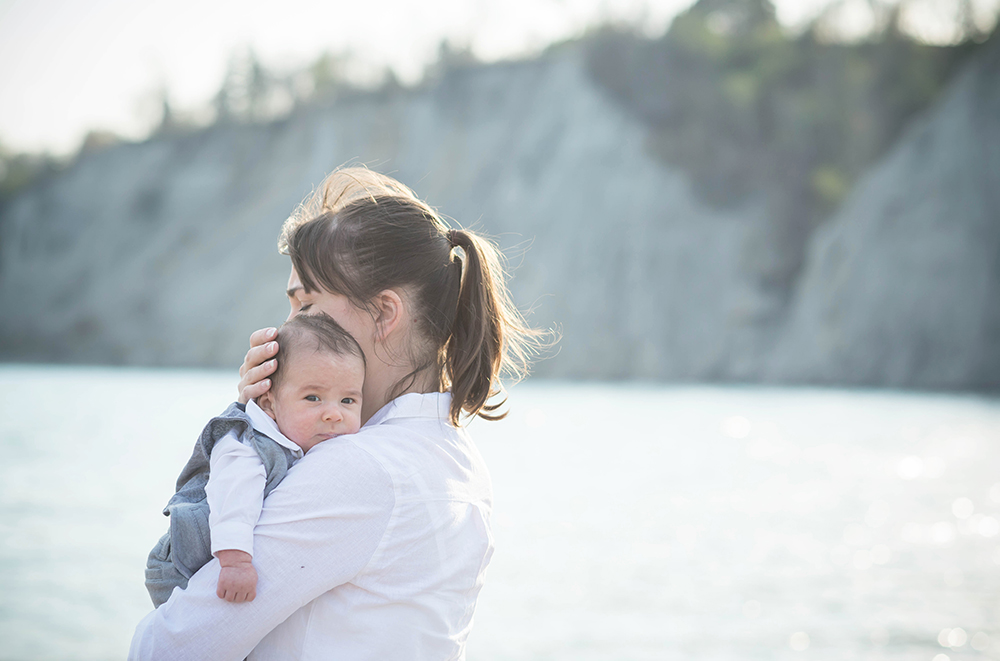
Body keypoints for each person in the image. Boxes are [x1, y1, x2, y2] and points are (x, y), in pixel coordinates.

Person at [129, 167, 549, 660]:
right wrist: (263, 417)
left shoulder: (361, 469)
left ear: (384, 314)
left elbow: (170, 646)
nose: (288, 329)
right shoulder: (457, 458)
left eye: (307, 305)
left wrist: (243, 422)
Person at [144, 313, 365, 607]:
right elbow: (233, 499)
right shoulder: (249, 446)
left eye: (347, 401)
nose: (334, 414)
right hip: (180, 559)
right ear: (269, 403)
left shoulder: (305, 442)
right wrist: (235, 563)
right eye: (313, 398)